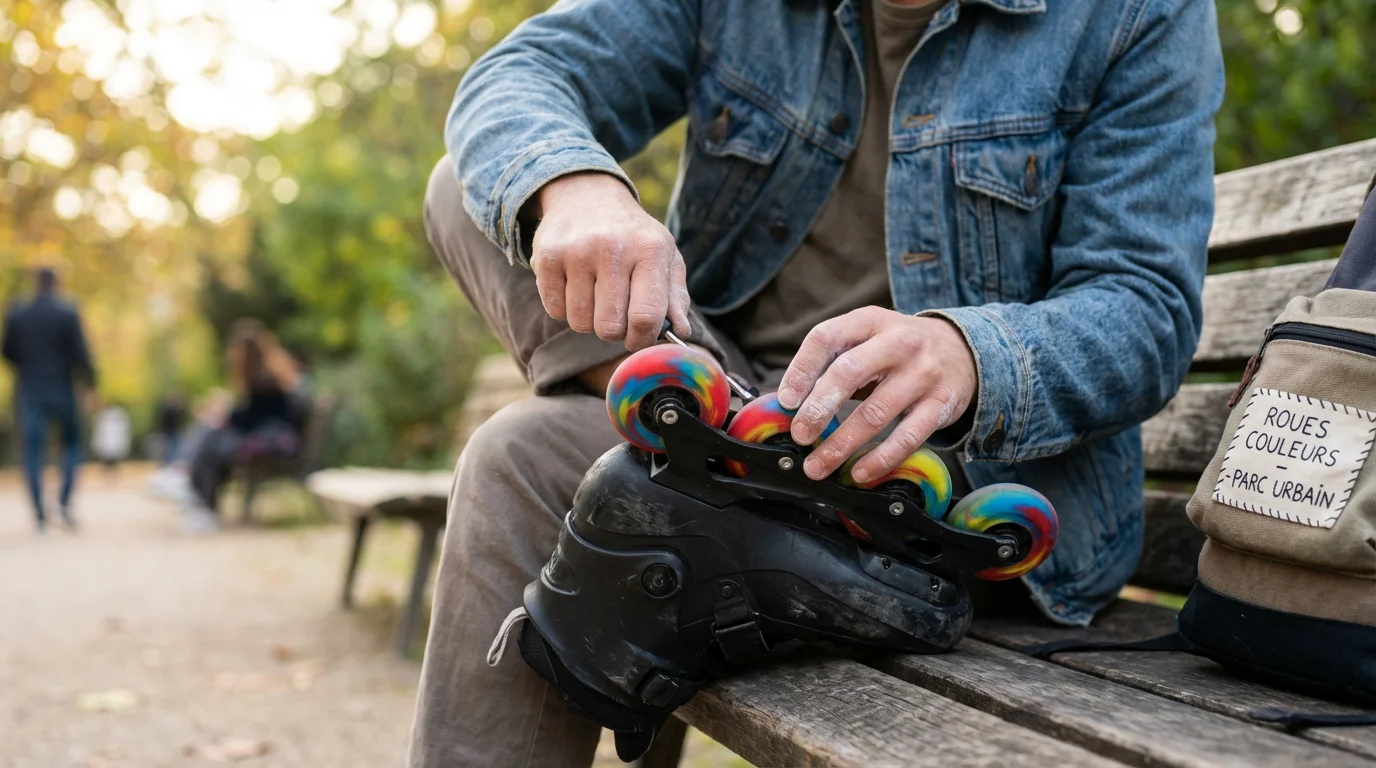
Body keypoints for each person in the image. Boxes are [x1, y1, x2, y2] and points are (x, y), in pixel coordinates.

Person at [412, 0, 1225, 764]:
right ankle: (730, 468)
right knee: (476, 184)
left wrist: (969, 356)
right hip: (737, 392)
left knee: (517, 454)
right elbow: (521, 76)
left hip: (934, 489)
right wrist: (575, 187)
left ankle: (726, 491)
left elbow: (1144, 310)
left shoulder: (1136, 14)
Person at [181, 319, 305, 532]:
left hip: (271, 442)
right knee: (211, 436)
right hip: (266, 437)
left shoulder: (264, 380)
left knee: (212, 441)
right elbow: (251, 415)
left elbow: (250, 418)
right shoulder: (267, 376)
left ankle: (196, 494)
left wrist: (224, 414)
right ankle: (197, 495)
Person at [2, 267, 96, 533]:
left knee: (31, 451)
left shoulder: (17, 313)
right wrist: (90, 384)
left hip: (30, 389)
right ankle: (64, 502)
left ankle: (39, 513)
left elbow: (7, 352)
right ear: (57, 282)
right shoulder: (68, 312)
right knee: (72, 445)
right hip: (62, 388)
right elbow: (81, 353)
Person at [90, 401, 132, 477]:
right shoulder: (105, 415)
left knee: (112, 454)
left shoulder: (114, 414)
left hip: (112, 443)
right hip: (108, 443)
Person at [155, 391, 189, 466]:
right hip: (169, 432)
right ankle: (169, 463)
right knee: (170, 448)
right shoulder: (170, 410)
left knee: (173, 448)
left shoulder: (174, 410)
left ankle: (171, 462)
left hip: (173, 432)